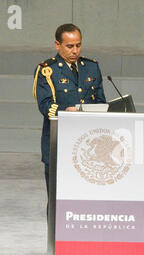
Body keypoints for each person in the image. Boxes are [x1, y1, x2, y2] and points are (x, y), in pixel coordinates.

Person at [33, 23, 106, 196]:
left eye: (78, 45)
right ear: (57, 45)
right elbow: (45, 105)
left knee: (84, 198)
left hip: (88, 144)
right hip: (59, 142)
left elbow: (101, 101)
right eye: (70, 46)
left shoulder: (92, 67)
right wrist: (66, 112)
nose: (75, 51)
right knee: (58, 199)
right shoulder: (47, 70)